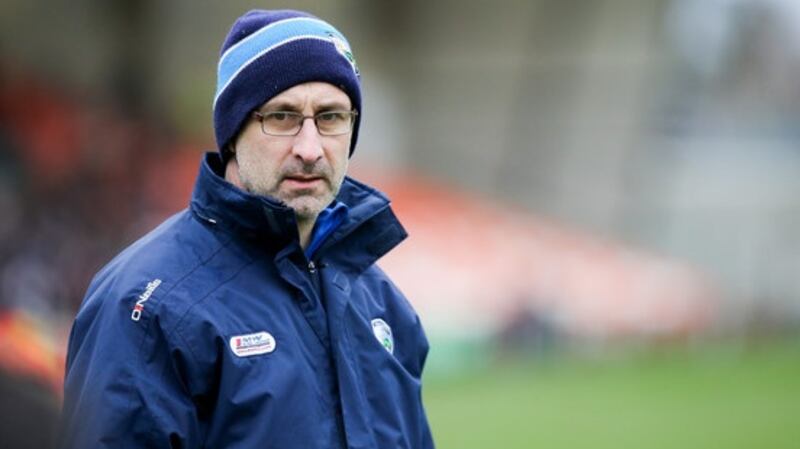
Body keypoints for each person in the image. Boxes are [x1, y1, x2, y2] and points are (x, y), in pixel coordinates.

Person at [59, 9, 434, 449]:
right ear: (233, 131)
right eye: (282, 117)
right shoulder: (147, 305)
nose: (310, 148)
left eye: (331, 117)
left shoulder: (385, 305)